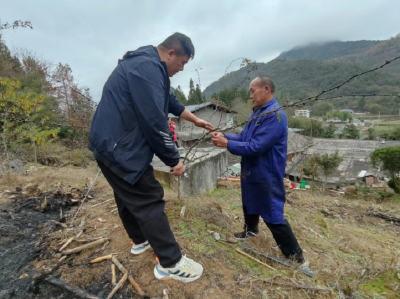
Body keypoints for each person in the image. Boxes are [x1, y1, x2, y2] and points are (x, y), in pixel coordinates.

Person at [89, 33, 214, 283]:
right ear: (171, 54)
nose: (181, 69)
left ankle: (140, 240)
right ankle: (170, 263)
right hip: (120, 148)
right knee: (148, 198)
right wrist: (173, 159)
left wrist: (195, 119)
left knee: (126, 194)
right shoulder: (147, 68)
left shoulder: (145, 64)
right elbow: (155, 119)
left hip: (107, 145)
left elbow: (168, 100)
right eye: (182, 63)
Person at [211, 76, 312, 273]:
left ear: (266, 89)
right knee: (249, 201)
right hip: (252, 170)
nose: (250, 95)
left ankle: (297, 258)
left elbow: (256, 146)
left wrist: (227, 144)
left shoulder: (275, 116)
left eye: (252, 91)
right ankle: (251, 231)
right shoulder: (258, 113)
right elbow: (244, 137)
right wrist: (226, 136)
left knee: (272, 213)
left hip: (267, 172)